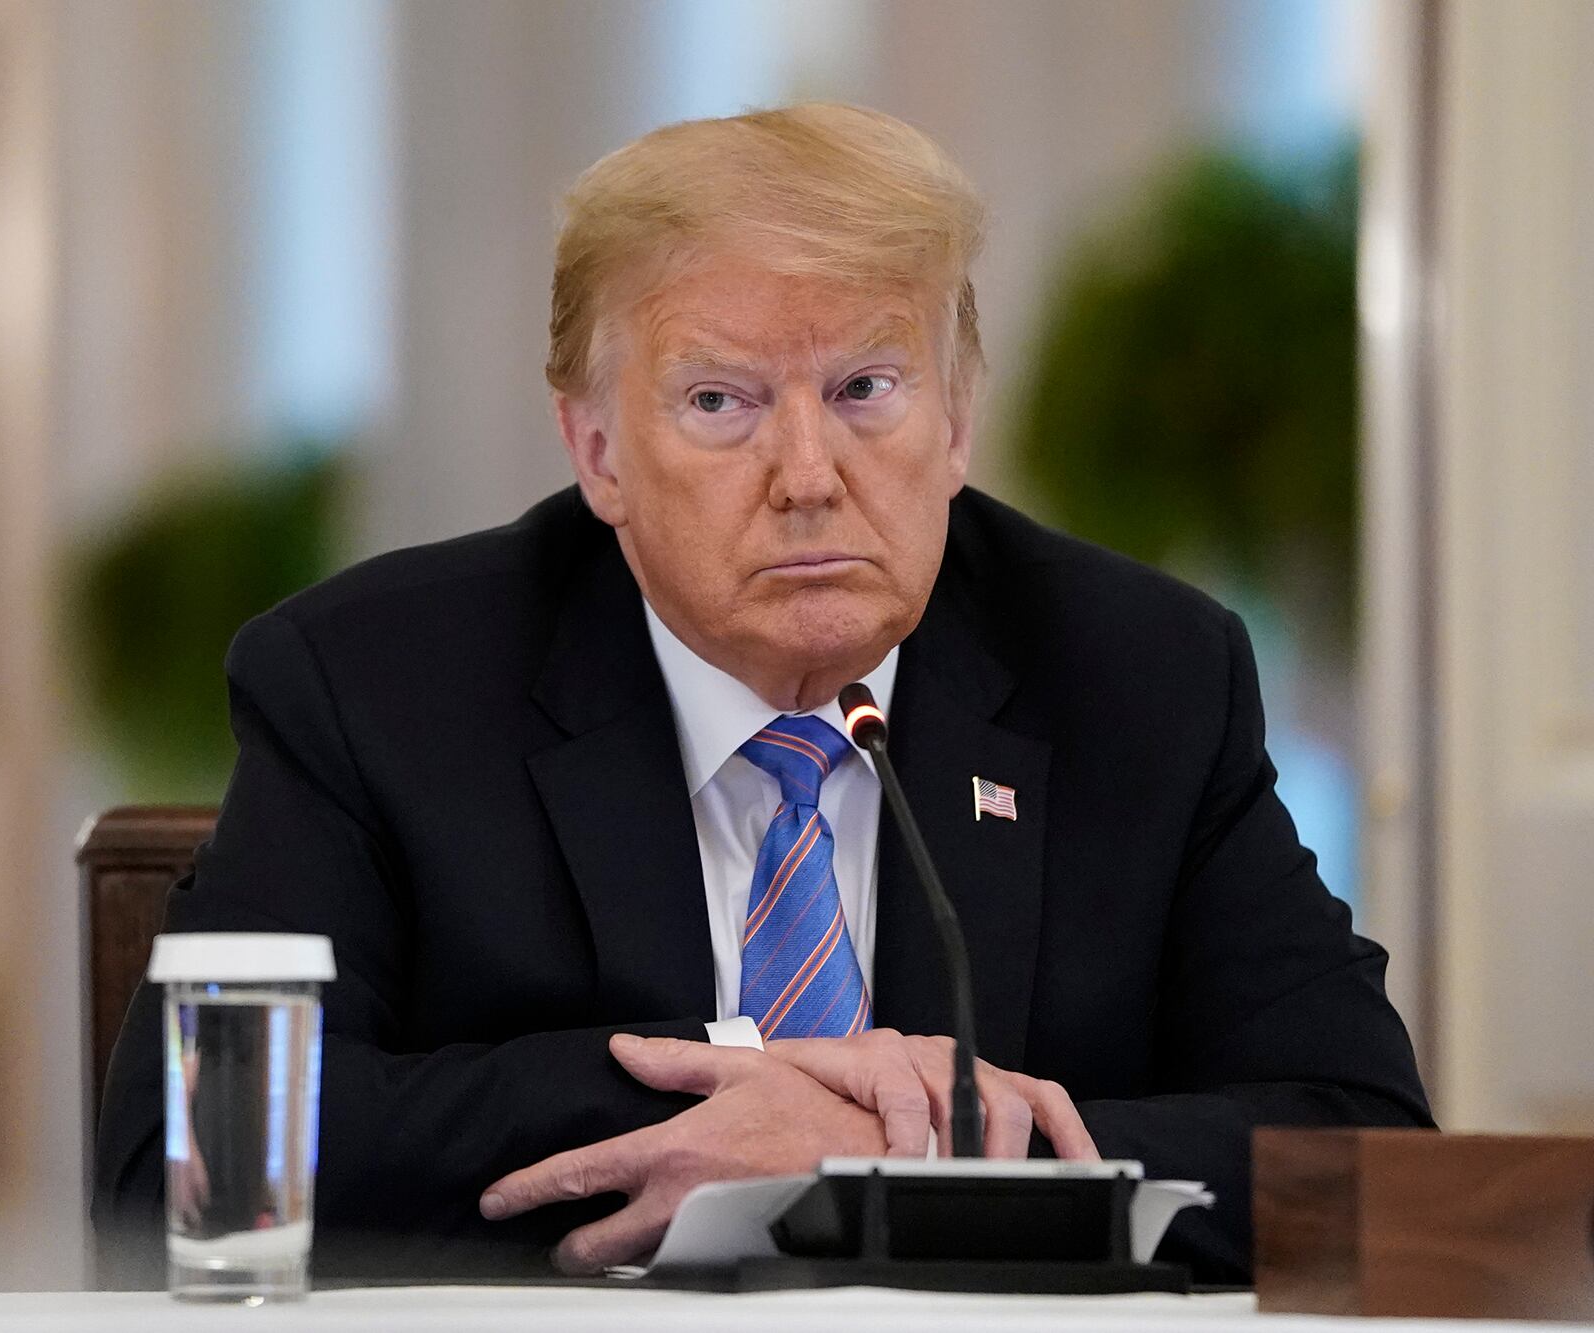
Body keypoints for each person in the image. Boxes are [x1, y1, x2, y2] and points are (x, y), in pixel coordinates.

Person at [94, 103, 1429, 1284]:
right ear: (598, 447)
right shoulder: (378, 684)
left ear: (956, 421)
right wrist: (736, 1101)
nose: (806, 471)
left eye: (866, 388)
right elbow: (182, 1153)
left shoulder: (1142, 680)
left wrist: (911, 1147)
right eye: (723, 401)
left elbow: (1371, 1160)